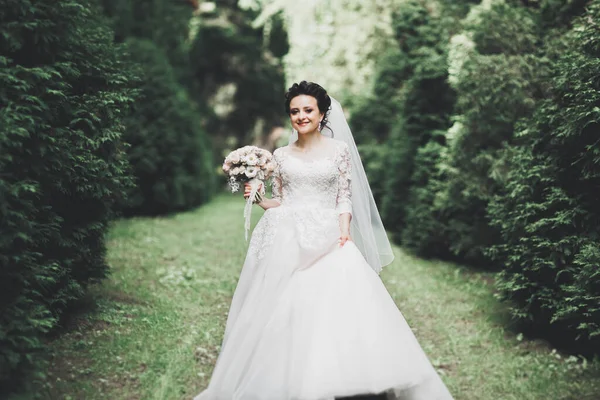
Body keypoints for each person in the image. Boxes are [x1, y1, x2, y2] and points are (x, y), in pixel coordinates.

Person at [194, 81, 454, 400]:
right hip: (289, 236)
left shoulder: (339, 151)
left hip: (330, 235)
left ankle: (345, 376)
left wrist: (344, 231)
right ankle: (287, 377)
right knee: (286, 306)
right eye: (294, 111)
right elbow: (282, 199)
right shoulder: (280, 155)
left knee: (340, 301)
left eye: (307, 110)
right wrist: (258, 198)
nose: (301, 116)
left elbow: (344, 196)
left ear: (321, 113)